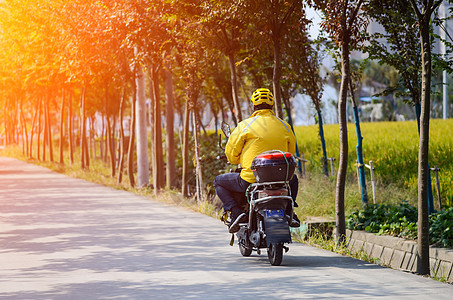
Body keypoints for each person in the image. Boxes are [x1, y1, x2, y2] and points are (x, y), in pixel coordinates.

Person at [214, 88, 300, 233]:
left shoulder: (245, 125)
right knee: (294, 180)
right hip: (282, 180)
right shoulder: (285, 126)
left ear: (253, 106)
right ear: (272, 105)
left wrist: (236, 159)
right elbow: (290, 153)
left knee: (218, 181)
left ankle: (236, 212)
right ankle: (289, 211)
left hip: (251, 180)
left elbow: (231, 154)